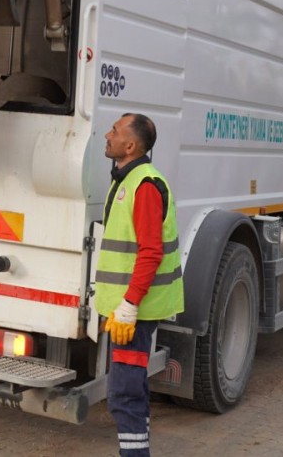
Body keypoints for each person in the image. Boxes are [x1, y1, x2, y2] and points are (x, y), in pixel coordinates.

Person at [96, 113, 183, 457]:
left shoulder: (144, 185)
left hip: (135, 310)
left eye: (114, 131)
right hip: (127, 310)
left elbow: (151, 252)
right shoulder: (127, 179)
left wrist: (129, 305)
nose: (108, 134)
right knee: (131, 390)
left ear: (130, 146)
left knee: (124, 393)